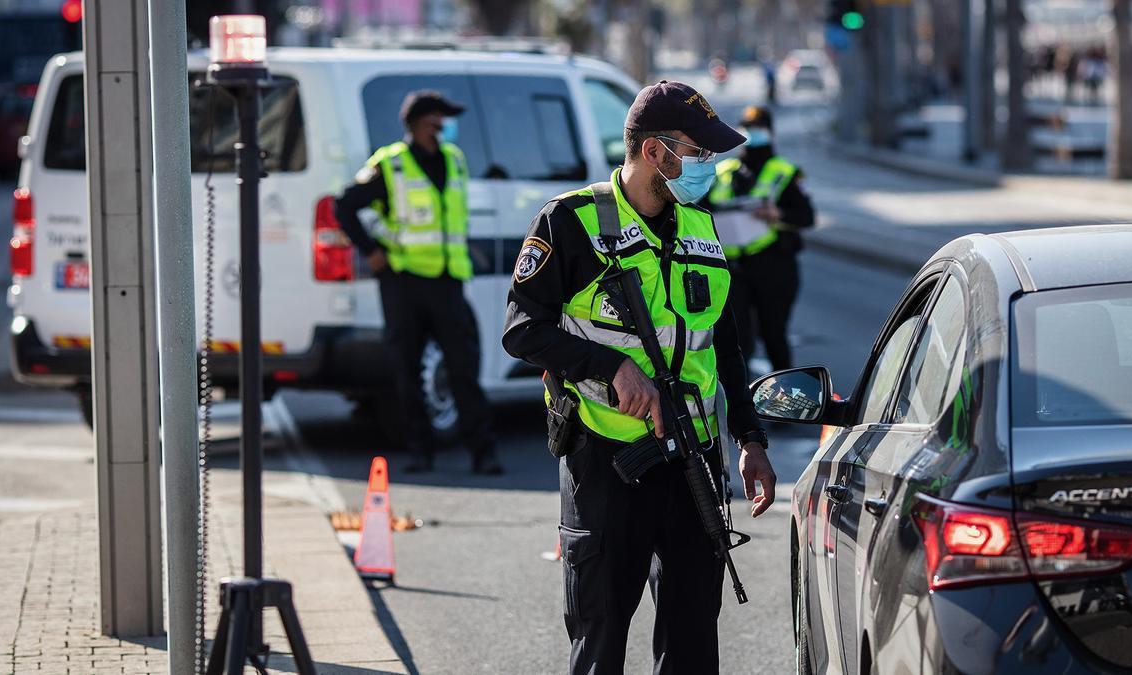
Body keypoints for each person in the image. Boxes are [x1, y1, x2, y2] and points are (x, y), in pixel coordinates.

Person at [502, 81, 776, 674]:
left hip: (693, 460)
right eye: (698, 153)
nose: (708, 166)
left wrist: (751, 440)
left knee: (693, 645)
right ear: (656, 151)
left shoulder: (702, 225)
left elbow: (725, 344)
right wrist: (611, 367)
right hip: (606, 460)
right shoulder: (571, 222)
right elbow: (522, 329)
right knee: (600, 642)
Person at [335, 90, 502, 475]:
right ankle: (420, 451)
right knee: (407, 370)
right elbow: (344, 205)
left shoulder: (454, 160)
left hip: (447, 280)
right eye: (436, 120)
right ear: (418, 123)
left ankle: (483, 451)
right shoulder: (390, 165)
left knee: (464, 367)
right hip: (403, 281)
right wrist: (371, 252)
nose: (442, 128)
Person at [703, 105, 815, 372]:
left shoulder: (785, 171)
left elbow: (806, 216)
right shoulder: (724, 171)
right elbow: (702, 210)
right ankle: (741, 401)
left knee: (774, 335)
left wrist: (777, 214)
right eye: (747, 129)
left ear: (770, 133)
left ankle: (788, 398)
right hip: (733, 268)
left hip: (772, 266)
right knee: (736, 340)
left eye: (758, 129)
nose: (753, 134)